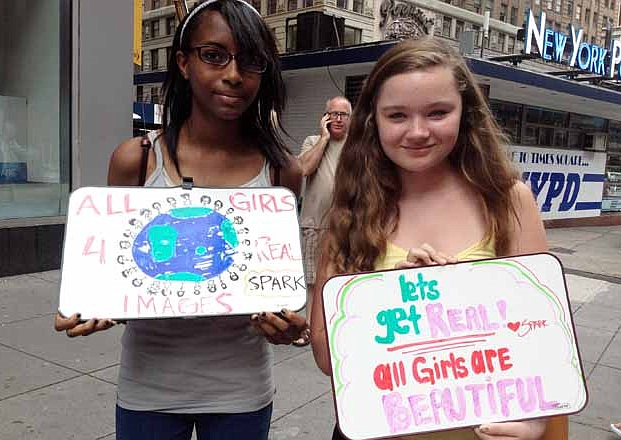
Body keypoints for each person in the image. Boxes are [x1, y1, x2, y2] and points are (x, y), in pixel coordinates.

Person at [54, 1, 307, 439]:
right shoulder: (136, 159)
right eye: (214, 55)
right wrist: (99, 306)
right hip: (148, 389)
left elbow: (272, 278)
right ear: (183, 62)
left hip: (241, 392)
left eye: (250, 61)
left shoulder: (283, 171)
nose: (233, 74)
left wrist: (289, 326)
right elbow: (121, 271)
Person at [309, 38, 568, 440]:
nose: (417, 132)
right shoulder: (350, 211)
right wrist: (389, 296)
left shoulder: (508, 202)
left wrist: (535, 421)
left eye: (438, 113)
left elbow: (544, 341)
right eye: (396, 115)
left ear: (465, 114)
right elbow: (328, 358)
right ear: (372, 120)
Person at [295, 95, 352, 346]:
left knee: (342, 278)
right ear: (325, 117)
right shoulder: (312, 141)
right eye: (333, 114)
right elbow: (303, 169)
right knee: (312, 281)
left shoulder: (357, 145)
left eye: (343, 114)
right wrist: (324, 138)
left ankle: (335, 329)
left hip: (348, 226)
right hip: (315, 223)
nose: (338, 119)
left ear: (350, 119)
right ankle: (309, 330)